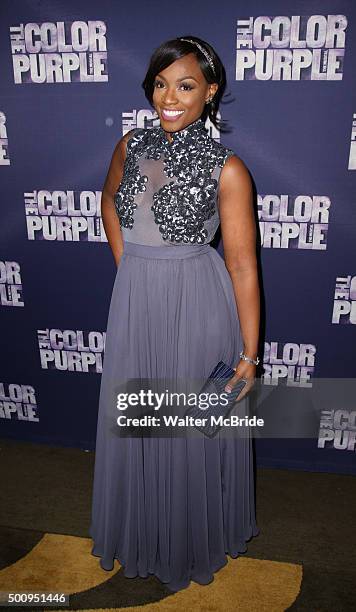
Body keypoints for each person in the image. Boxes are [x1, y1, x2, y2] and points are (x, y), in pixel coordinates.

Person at [89, 35, 260, 592]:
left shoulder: (228, 168)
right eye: (161, 83)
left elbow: (241, 267)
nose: (169, 96)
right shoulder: (130, 145)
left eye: (185, 85)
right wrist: (128, 267)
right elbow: (109, 202)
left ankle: (187, 542)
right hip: (138, 299)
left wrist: (249, 355)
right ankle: (143, 533)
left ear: (210, 92)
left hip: (198, 302)